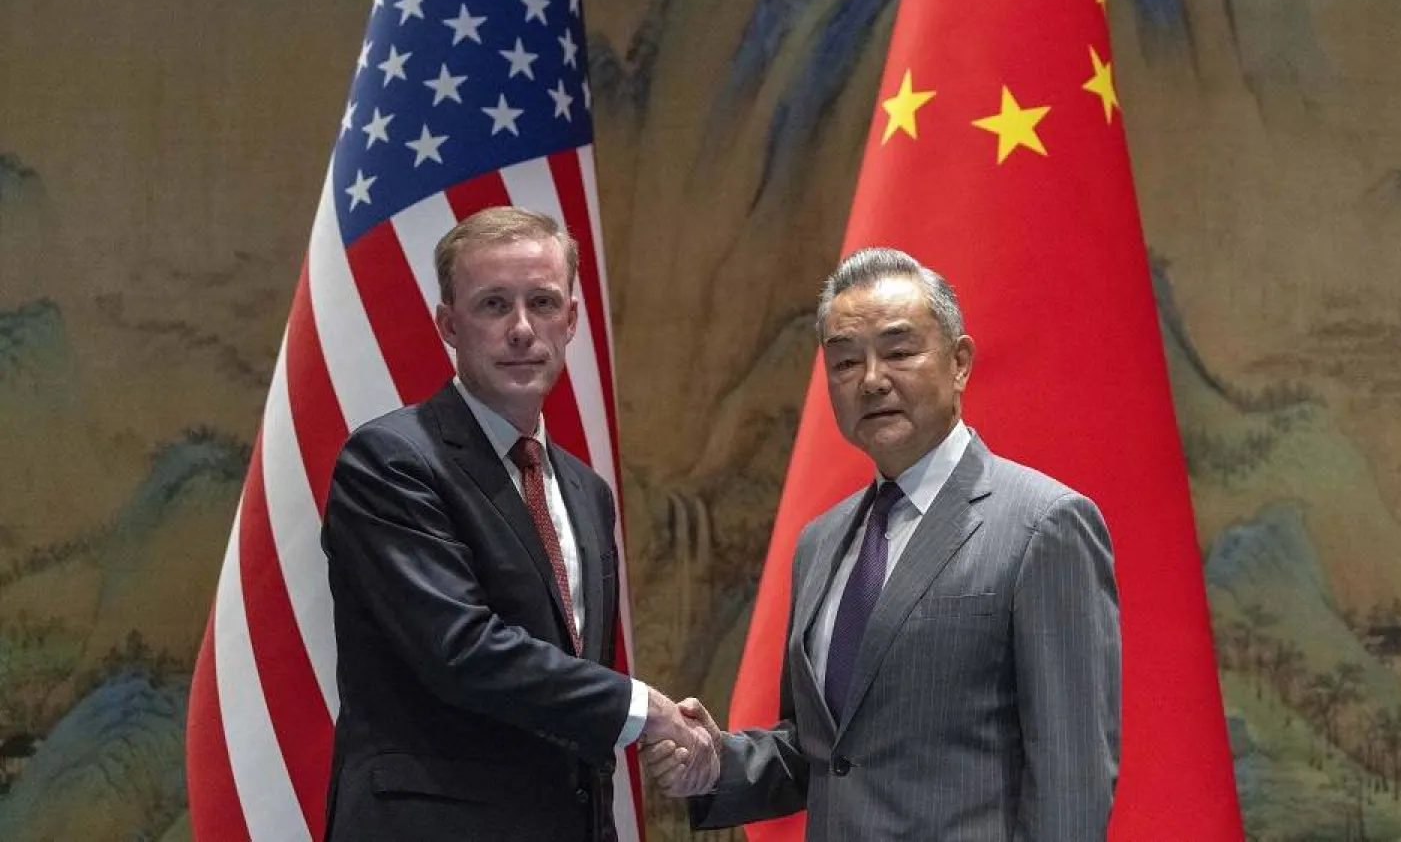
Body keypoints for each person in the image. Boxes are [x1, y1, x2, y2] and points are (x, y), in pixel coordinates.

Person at [650, 247, 1122, 841]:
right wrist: (716, 762)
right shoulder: (820, 542)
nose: (872, 380)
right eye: (846, 362)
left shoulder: (1043, 525)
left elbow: (1071, 780)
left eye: (899, 352)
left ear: (959, 362)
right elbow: (826, 750)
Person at [321, 206, 715, 841]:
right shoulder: (391, 461)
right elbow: (461, 649)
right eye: (494, 305)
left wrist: (659, 737)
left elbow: (572, 690)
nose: (523, 329)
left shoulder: (587, 492)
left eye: (543, 302)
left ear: (572, 319)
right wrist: (643, 710)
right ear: (449, 325)